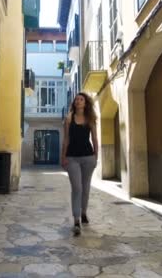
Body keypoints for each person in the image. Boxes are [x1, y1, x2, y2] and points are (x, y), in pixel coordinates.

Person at [61, 92, 99, 236]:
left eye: (81, 99)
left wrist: (96, 156)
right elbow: (66, 139)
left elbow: (95, 138)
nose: (78, 101)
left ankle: (83, 212)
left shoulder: (90, 119)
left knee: (86, 187)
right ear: (74, 103)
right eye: (77, 99)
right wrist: (63, 156)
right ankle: (76, 220)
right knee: (77, 187)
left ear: (85, 103)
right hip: (72, 158)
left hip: (88, 157)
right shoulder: (69, 118)